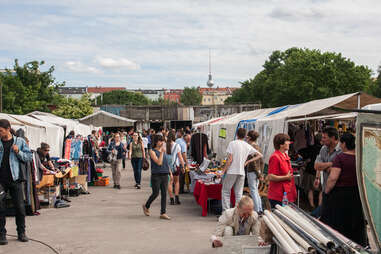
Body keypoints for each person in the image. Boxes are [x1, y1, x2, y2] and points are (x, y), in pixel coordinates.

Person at [324, 132, 367, 246]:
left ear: (344, 144)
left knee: (340, 223)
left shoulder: (340, 158)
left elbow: (333, 178)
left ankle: (341, 245)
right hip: (357, 194)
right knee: (355, 223)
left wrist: (326, 191)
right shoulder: (360, 157)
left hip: (341, 196)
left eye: (341, 143)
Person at [0, 119, 33, 245]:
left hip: (15, 179)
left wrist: (18, 152)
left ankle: (21, 232)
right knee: (0, 208)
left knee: (19, 208)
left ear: (8, 129)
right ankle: (2, 234)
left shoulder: (20, 142)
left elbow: (29, 157)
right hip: (1, 180)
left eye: (1, 131)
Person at [222, 128, 263, 211]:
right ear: (245, 136)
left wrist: (223, 171)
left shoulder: (232, 143)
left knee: (226, 191)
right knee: (238, 194)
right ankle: (238, 213)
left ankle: (226, 211)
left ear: (237, 134)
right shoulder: (247, 145)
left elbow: (230, 159)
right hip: (241, 172)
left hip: (232, 171)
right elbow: (260, 155)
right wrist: (247, 161)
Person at [142, 135, 172, 220]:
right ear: (155, 142)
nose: (162, 142)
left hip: (165, 174)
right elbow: (159, 162)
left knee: (164, 194)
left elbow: (165, 163)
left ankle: (163, 213)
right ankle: (146, 206)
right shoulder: (152, 151)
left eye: (162, 141)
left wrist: (170, 172)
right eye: (160, 141)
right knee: (155, 193)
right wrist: (162, 152)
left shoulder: (163, 151)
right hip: (156, 175)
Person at [314, 127, 341, 220]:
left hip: (337, 192)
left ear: (333, 138)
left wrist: (324, 166)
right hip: (326, 189)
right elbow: (316, 166)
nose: (322, 140)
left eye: (325, 137)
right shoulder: (323, 149)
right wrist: (331, 164)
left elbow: (333, 171)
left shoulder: (341, 150)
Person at [267, 133, 297, 208]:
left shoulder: (285, 155)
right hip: (278, 195)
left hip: (286, 194)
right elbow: (270, 176)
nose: (289, 143)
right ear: (281, 144)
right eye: (287, 141)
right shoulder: (275, 157)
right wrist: (285, 177)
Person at [298, 134, 322, 209]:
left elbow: (300, 152)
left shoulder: (311, 148)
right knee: (321, 190)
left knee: (310, 189)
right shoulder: (324, 149)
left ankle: (311, 205)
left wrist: (307, 160)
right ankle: (319, 206)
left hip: (310, 171)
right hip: (321, 172)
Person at [245, 130, 264, 214]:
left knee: (253, 191)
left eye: (247, 136)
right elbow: (261, 161)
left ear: (249, 138)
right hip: (257, 170)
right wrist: (260, 172)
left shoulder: (252, 147)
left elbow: (253, 162)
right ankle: (259, 208)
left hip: (253, 171)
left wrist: (258, 173)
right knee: (256, 191)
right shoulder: (257, 146)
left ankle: (257, 210)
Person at [166, 131, 185, 205]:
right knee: (176, 182)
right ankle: (177, 198)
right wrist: (183, 166)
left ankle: (171, 199)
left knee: (170, 182)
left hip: (167, 167)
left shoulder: (164, 145)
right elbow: (180, 158)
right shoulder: (177, 145)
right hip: (176, 166)